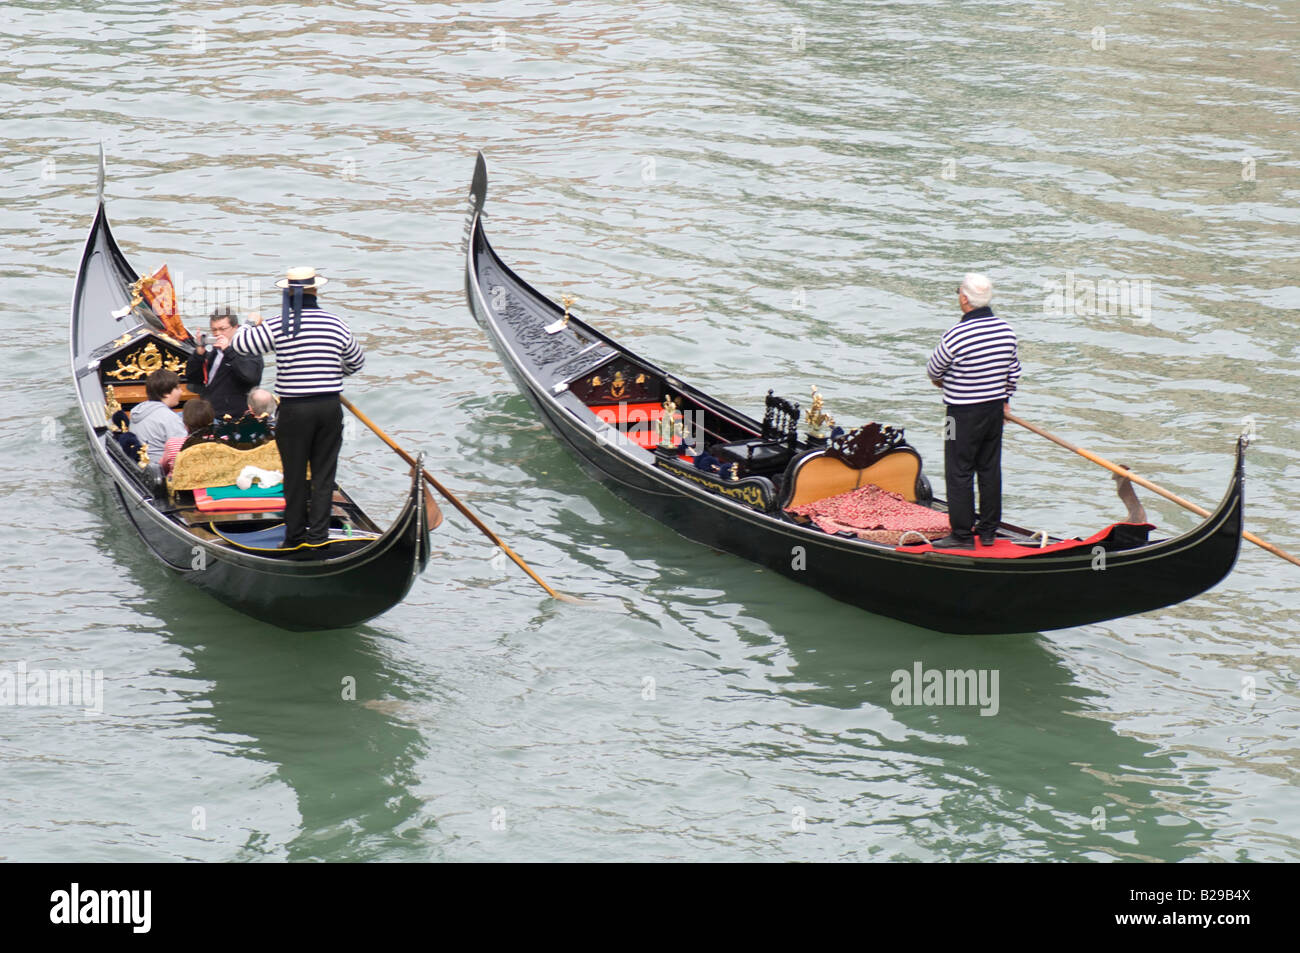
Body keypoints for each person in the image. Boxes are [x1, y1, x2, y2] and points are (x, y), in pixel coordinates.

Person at [230, 267, 364, 548]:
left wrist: (249, 322)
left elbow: (241, 345)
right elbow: (355, 362)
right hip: (328, 407)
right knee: (324, 475)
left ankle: (294, 538)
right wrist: (329, 371)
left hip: (294, 410)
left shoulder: (280, 323)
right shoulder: (335, 324)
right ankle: (318, 538)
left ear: (289, 292)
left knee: (293, 475)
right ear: (316, 290)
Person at [926, 273, 1021, 549]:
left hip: (960, 413)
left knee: (958, 470)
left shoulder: (957, 334)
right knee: (989, 468)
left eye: (958, 292)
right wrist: (1005, 399)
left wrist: (945, 381)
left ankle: (963, 535)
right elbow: (1013, 371)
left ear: (964, 298)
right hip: (994, 411)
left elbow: (933, 370)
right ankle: (989, 530)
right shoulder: (1007, 330)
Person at [185, 306, 264, 420]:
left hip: (235, 417)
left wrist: (228, 351)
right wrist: (199, 354)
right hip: (210, 412)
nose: (217, 334)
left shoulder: (249, 348)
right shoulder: (216, 350)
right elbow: (194, 378)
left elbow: (251, 377)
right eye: (214, 330)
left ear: (235, 327)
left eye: (222, 329)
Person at [130, 369, 188, 461]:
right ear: (166, 393)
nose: (181, 391)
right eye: (177, 388)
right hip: (160, 469)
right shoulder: (169, 418)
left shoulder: (137, 411)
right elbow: (183, 453)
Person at [159, 398, 215, 475]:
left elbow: (162, 469)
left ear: (185, 423)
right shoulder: (225, 442)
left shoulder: (172, 444)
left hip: (179, 486)